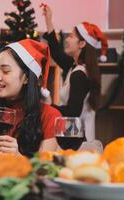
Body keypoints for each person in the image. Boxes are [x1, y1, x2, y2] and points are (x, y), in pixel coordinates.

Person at [42, 5, 108, 141]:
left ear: (82, 43)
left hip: (79, 143)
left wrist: (47, 107)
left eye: (71, 36)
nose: (67, 39)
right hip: (73, 137)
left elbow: (73, 112)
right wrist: (49, 20)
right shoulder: (74, 67)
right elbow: (56, 52)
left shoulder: (79, 75)